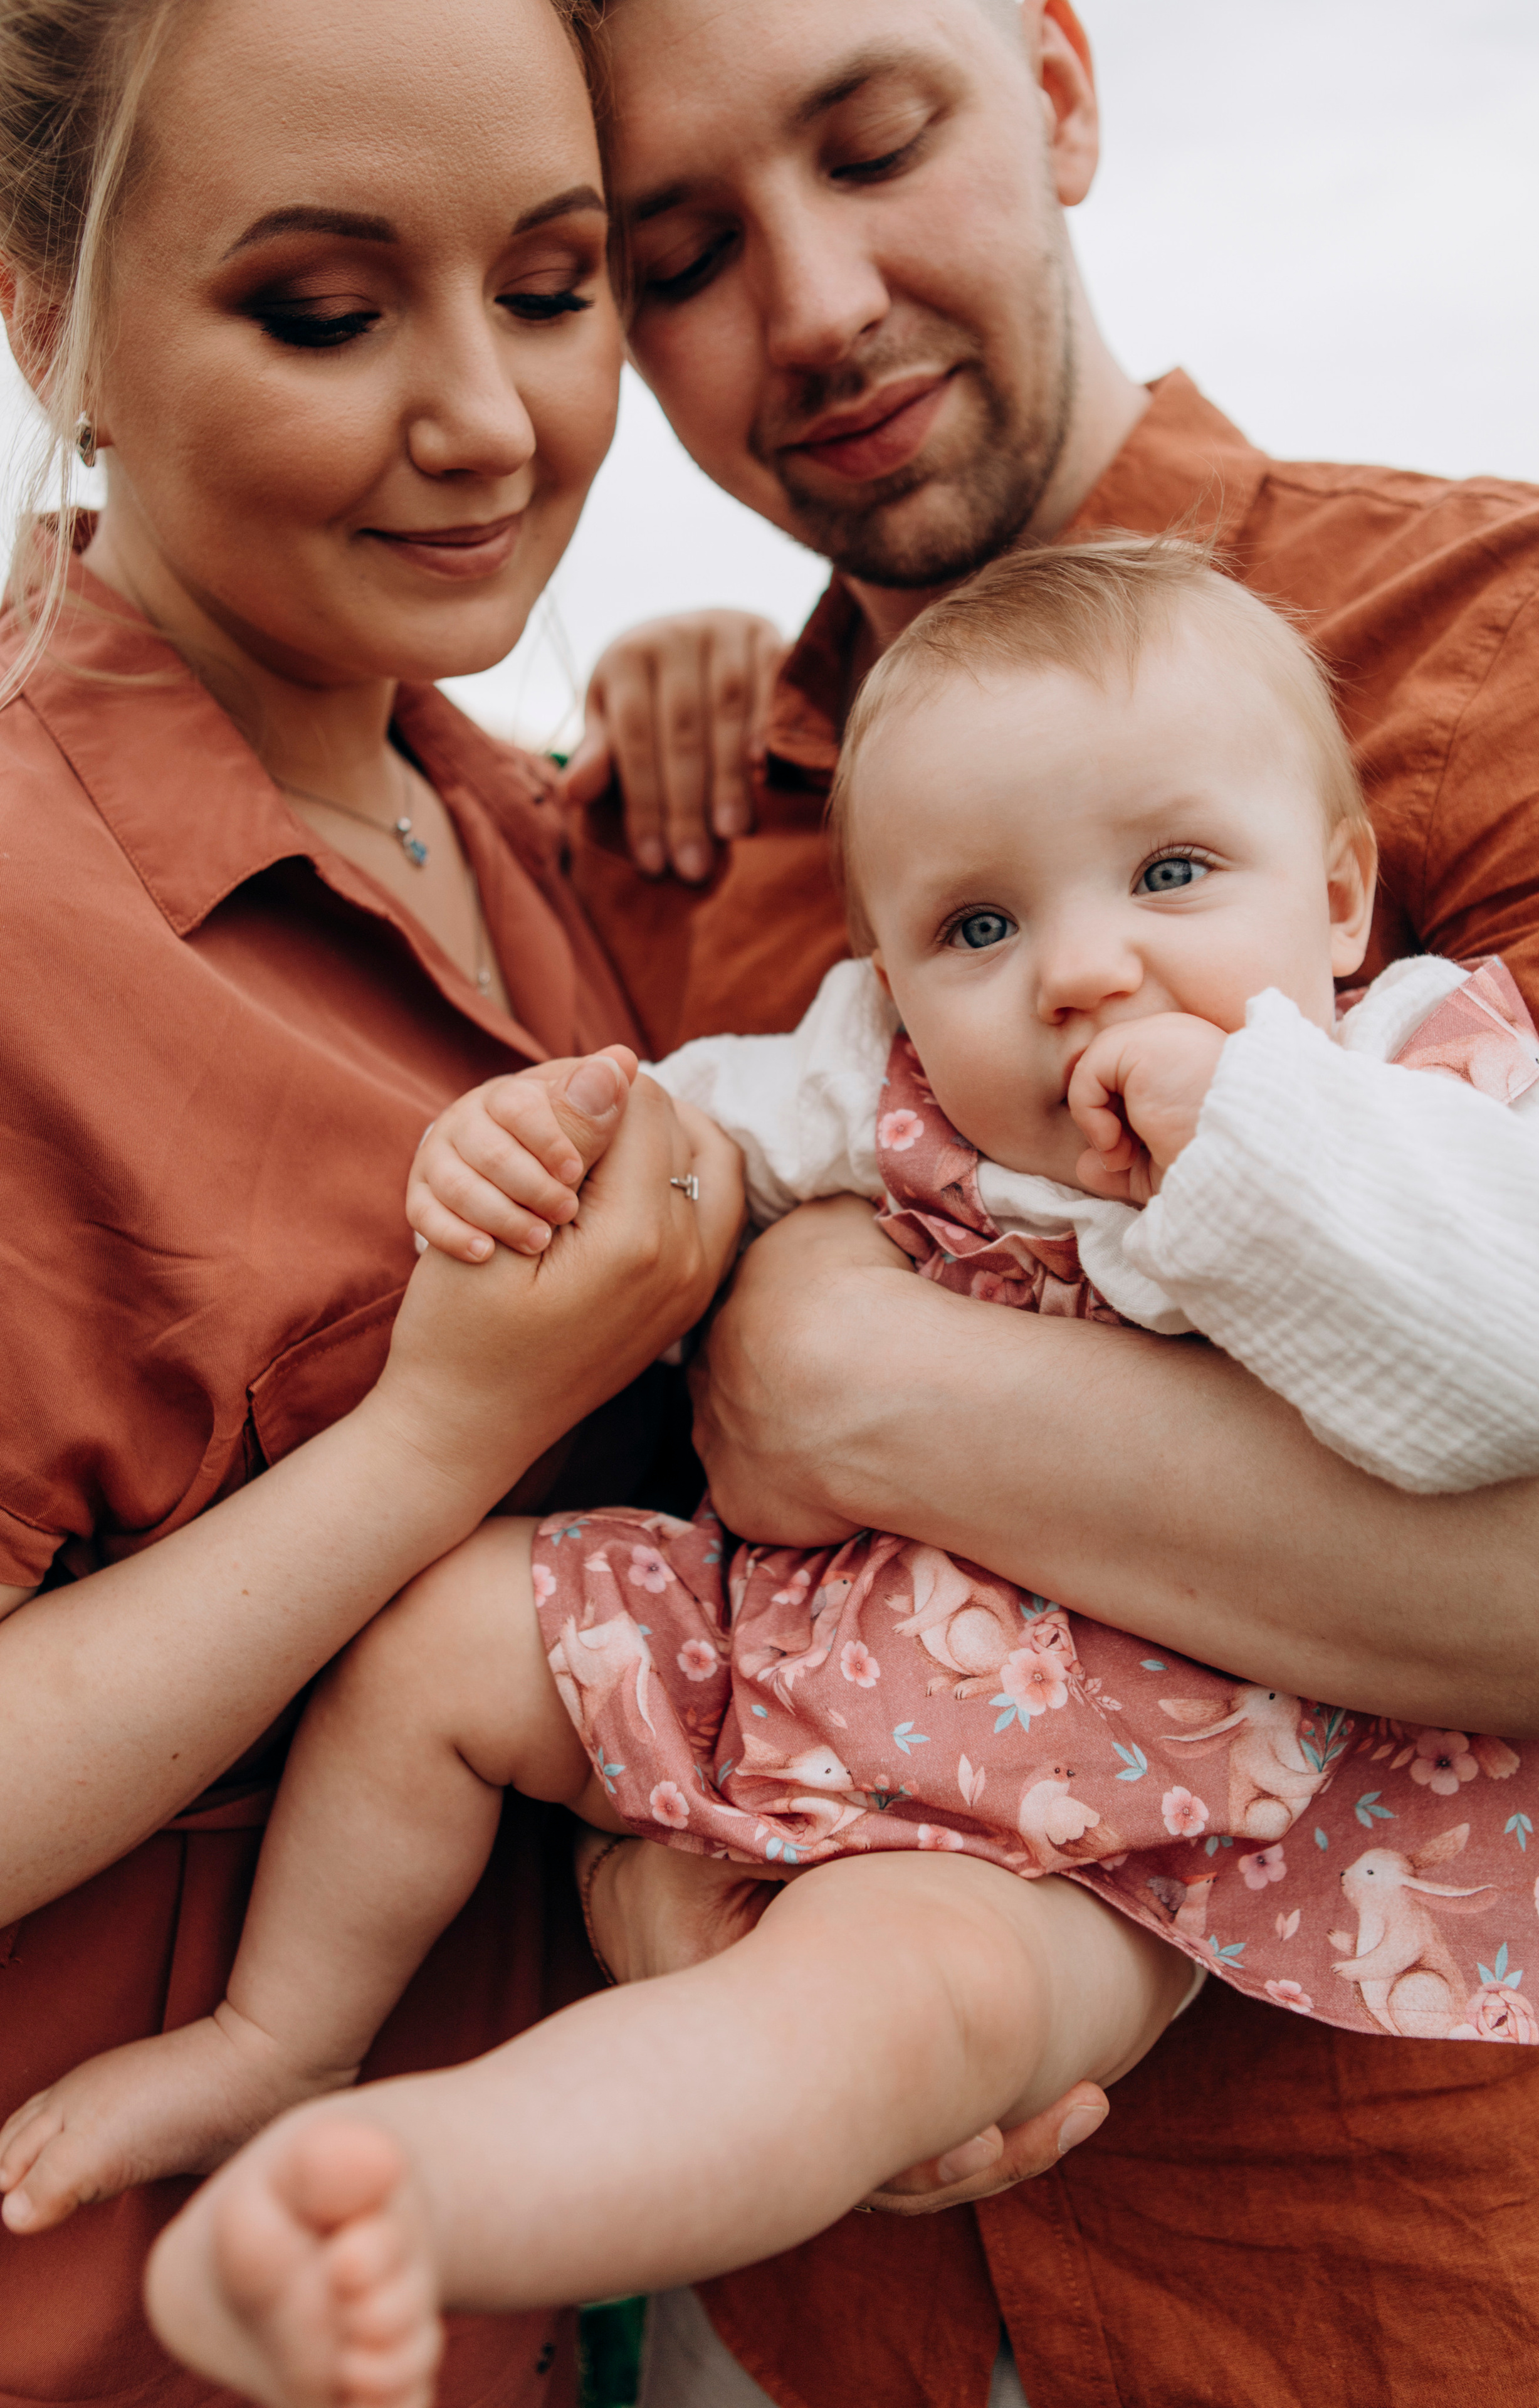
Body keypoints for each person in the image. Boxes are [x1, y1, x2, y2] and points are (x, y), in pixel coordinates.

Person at [14, 538, 1539, 2406]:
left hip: (1133, 1832)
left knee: (885, 2005)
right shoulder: (883, 1072)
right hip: (810, 1639)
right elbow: (673, 1132)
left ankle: (418, 2205)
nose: (1085, 973)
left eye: (1173, 876)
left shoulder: (1434, 1077)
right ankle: (285, 2037)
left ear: (1339, 898)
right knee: (444, 1631)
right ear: (896, 970)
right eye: (977, 930)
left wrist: (1260, 1149)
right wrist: (537, 1136)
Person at [552, 1, 1539, 2400]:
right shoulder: (680, 833)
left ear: (1059, 84)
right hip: (821, 2313)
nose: (810, 307)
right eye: (680, 249)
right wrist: (645, 1883)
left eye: (878, 138)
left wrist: (853, 1382)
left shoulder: (1530, 639)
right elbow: (639, 1574)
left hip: (1396, 2286)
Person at [0, 3, 750, 2405]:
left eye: (550, 288)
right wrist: (427, 1441)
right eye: (324, 312)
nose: (491, 422)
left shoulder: (548, 835)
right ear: (52, 320)